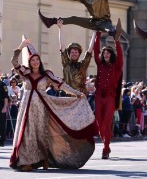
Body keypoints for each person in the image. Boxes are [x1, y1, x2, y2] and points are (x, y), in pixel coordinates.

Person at [9, 38, 97, 171]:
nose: (35, 62)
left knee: (40, 133)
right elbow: (14, 61)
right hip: (26, 107)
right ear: (29, 62)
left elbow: (62, 85)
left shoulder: (47, 75)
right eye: (33, 60)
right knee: (27, 133)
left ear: (40, 61)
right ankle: (26, 161)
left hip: (42, 107)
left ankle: (43, 159)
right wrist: (20, 47)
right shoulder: (25, 73)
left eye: (37, 59)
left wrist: (76, 94)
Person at [93, 29, 123, 159]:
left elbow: (121, 56)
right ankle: (106, 143)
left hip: (110, 97)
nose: (105, 54)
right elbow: (95, 51)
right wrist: (98, 35)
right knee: (99, 123)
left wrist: (117, 41)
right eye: (104, 53)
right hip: (99, 96)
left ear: (111, 55)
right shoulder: (100, 65)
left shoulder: (116, 66)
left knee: (107, 122)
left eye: (108, 53)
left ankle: (105, 149)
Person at [57, 20, 96, 93]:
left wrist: (94, 33)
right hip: (67, 97)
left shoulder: (83, 65)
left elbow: (89, 51)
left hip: (80, 97)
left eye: (76, 52)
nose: (74, 54)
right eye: (72, 52)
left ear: (79, 54)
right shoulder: (66, 63)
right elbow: (62, 47)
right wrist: (60, 28)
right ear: (69, 54)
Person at [0, 77, 9, 147]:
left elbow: (6, 96)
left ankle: (2, 141)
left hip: (1, 107)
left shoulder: (3, 85)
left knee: (2, 124)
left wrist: (5, 107)